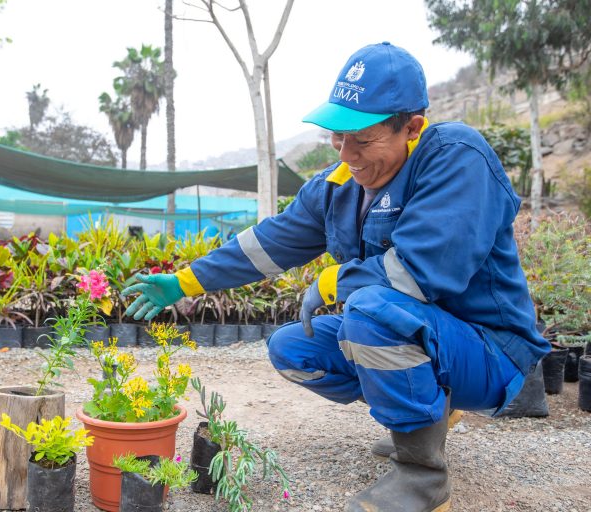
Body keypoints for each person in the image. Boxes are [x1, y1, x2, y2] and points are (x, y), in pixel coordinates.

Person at [122, 42, 549, 512]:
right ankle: (427, 415)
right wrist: (183, 283)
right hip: (429, 339)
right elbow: (268, 243)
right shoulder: (340, 185)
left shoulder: (456, 157)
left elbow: (422, 274)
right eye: (337, 137)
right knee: (293, 347)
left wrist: (331, 283)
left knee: (368, 308)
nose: (348, 154)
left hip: (491, 350)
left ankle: (422, 478)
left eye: (362, 140)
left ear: (411, 127)